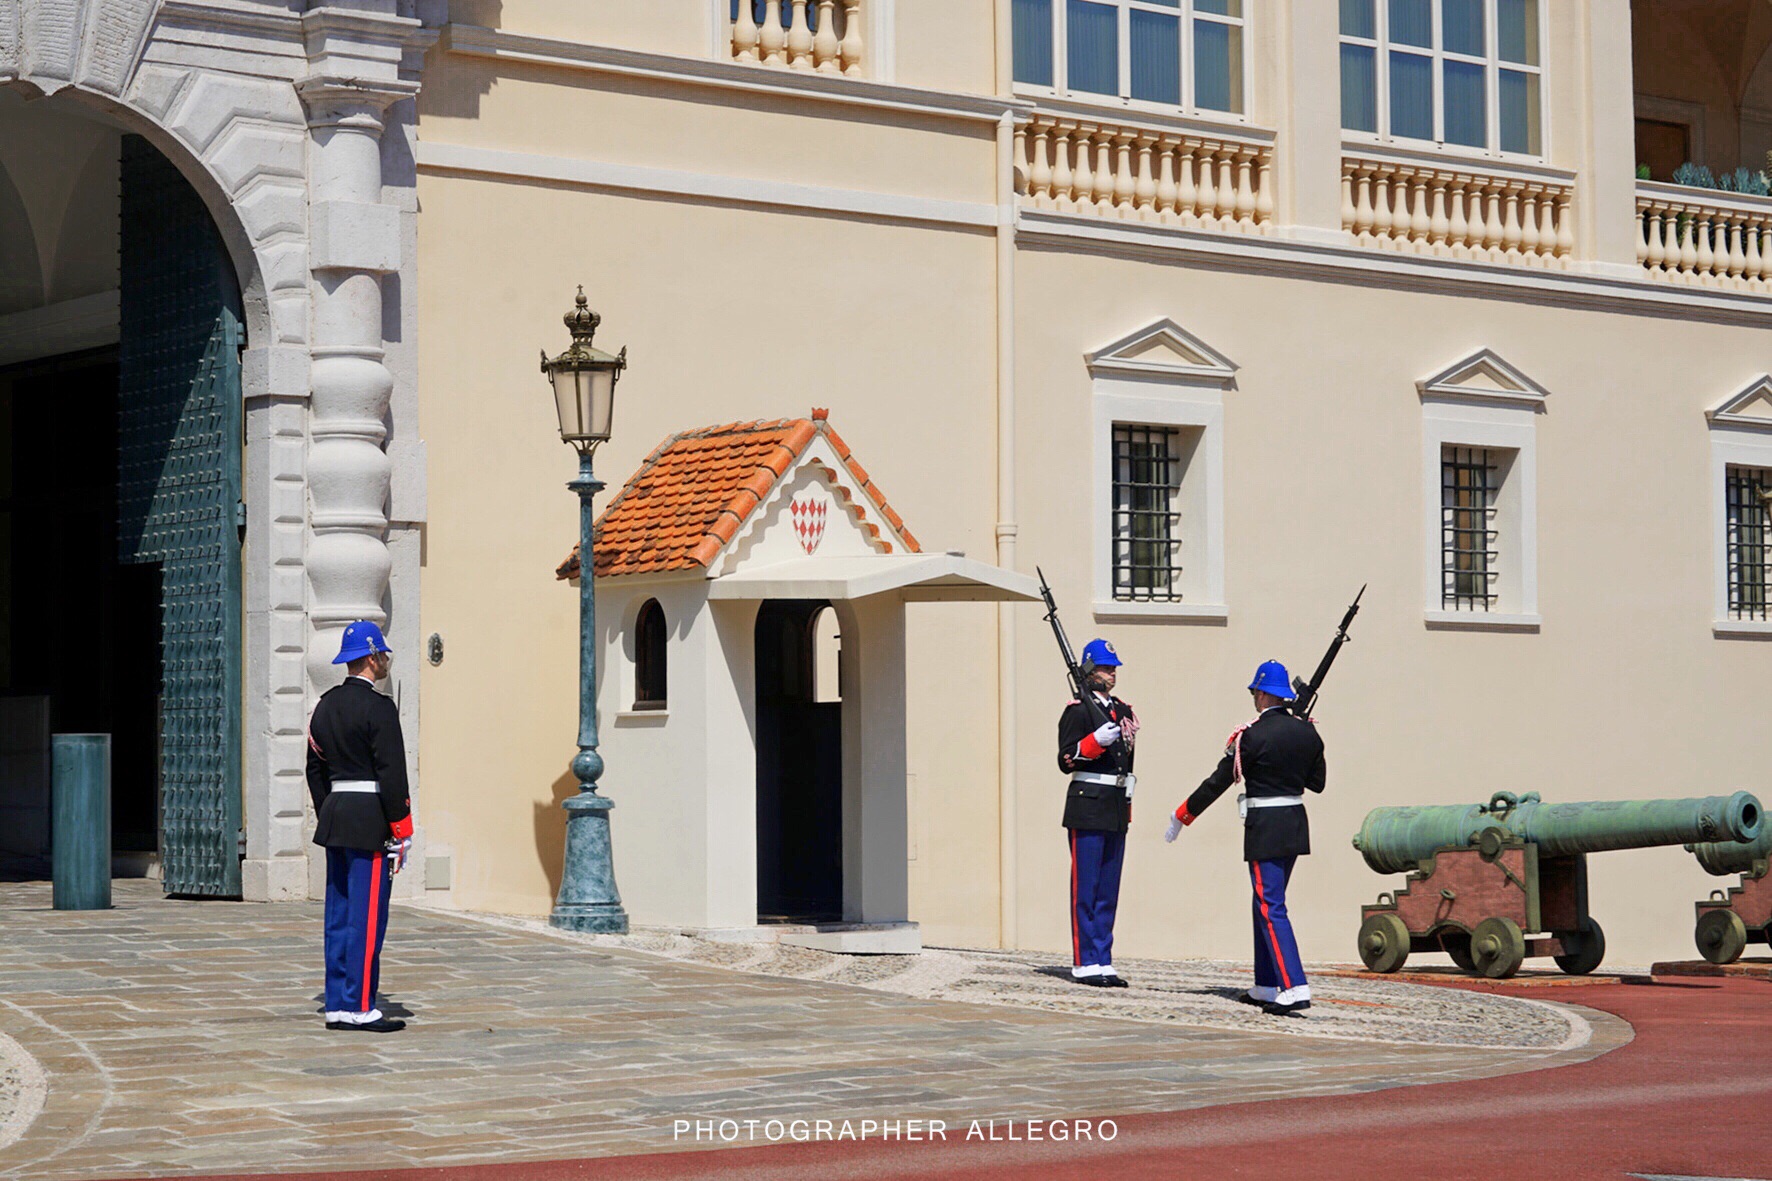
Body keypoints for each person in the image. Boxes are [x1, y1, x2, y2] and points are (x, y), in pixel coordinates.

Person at [1166, 659, 1325, 1016]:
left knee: (1271, 906)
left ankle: (1294, 985)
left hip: (1265, 827)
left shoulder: (1251, 736)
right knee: (1265, 902)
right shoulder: (1309, 732)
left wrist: (1184, 814)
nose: (1254, 697)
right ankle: (1266, 985)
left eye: (1256, 691)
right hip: (1295, 824)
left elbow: (1220, 780)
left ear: (1265, 694)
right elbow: (1317, 783)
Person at [306, 620, 413, 1033]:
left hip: (337, 816)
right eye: (382, 654)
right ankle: (360, 1005)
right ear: (371, 657)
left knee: (338, 915)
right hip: (370, 819)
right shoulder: (380, 708)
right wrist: (401, 826)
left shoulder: (324, 706)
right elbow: (391, 773)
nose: (384, 661)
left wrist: (329, 810)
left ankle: (336, 1002)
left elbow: (315, 769)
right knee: (366, 918)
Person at [1057, 638, 1139, 988]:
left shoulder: (1122, 710)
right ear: (1089, 671)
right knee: (1086, 887)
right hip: (1087, 804)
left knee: (1108, 888)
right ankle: (1085, 960)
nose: (1112, 673)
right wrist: (1093, 743)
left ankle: (1103, 958)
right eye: (1106, 667)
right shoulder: (1077, 710)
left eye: (1114, 667)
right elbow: (1065, 760)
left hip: (1116, 804)